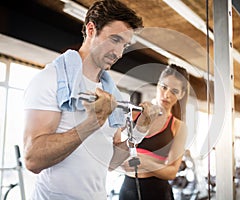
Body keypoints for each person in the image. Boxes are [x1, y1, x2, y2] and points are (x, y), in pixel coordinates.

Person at [22, 1, 159, 199]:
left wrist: (139, 131)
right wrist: (92, 123)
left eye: (124, 45)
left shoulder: (111, 93)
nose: (119, 53)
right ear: (91, 29)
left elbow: (110, 163)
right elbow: (32, 160)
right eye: (114, 39)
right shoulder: (50, 79)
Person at [118, 64, 189, 200]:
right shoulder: (135, 114)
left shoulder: (178, 126)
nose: (167, 95)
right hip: (128, 188)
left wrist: (144, 162)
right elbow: (111, 142)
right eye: (164, 87)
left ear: (181, 94)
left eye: (174, 91)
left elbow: (172, 172)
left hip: (156, 191)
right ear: (157, 85)